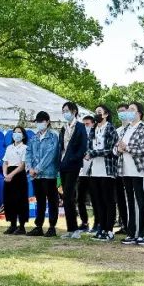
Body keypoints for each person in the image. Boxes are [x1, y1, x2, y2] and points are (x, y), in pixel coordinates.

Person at [115, 101, 144, 245]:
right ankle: (132, 233)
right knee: (130, 202)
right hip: (125, 171)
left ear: (139, 113)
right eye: (128, 109)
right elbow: (117, 148)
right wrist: (118, 149)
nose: (128, 112)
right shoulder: (125, 129)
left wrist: (127, 148)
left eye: (132, 109)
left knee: (142, 203)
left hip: (139, 171)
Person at [87, 104, 120, 241]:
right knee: (98, 201)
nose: (97, 114)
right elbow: (89, 145)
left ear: (106, 114)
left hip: (107, 170)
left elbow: (110, 149)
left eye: (99, 112)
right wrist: (89, 153)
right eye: (96, 112)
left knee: (108, 200)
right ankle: (101, 228)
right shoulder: (93, 128)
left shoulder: (110, 128)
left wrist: (93, 153)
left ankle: (109, 229)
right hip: (94, 169)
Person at [26, 111, 60, 237]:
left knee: (52, 200)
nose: (39, 124)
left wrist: (37, 168)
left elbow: (51, 155)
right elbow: (28, 153)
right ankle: (38, 226)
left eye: (41, 121)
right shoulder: (34, 138)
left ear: (47, 122)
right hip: (35, 175)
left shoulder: (53, 136)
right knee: (39, 200)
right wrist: (30, 168)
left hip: (49, 174)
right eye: (37, 122)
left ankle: (52, 227)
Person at [58, 101, 89, 239]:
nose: (65, 113)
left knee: (69, 195)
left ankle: (75, 229)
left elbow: (83, 146)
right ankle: (70, 228)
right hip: (63, 164)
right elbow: (61, 146)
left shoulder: (80, 127)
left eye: (67, 111)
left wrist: (74, 158)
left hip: (74, 164)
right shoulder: (63, 128)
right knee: (66, 196)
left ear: (74, 111)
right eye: (63, 111)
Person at [2, 126, 29, 234]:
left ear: (23, 135)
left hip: (19, 175)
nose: (16, 134)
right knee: (9, 200)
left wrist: (11, 175)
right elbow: (5, 162)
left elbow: (22, 165)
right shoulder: (9, 147)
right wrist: (5, 174)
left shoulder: (25, 148)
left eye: (19, 132)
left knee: (20, 200)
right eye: (15, 132)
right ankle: (12, 224)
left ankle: (21, 226)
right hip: (8, 176)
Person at [113, 103, 130, 233]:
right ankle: (124, 224)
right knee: (120, 198)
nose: (121, 113)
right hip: (118, 168)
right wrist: (118, 149)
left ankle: (132, 225)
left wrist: (123, 148)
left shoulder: (133, 129)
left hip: (131, 169)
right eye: (119, 111)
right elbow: (114, 149)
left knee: (130, 198)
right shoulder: (117, 131)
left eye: (123, 110)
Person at [79, 113, 96, 233]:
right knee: (80, 199)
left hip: (93, 172)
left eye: (88, 124)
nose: (86, 126)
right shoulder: (80, 138)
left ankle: (97, 223)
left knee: (95, 199)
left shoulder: (96, 136)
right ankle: (84, 222)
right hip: (81, 173)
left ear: (93, 124)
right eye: (84, 124)